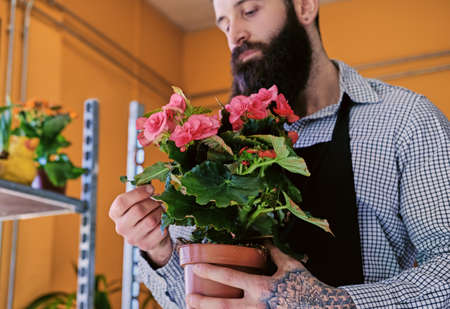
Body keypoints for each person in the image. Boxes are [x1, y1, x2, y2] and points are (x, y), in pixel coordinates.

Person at [109, 0, 450, 308]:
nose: (235, 35)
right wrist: (159, 249)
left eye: (249, 11)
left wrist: (329, 304)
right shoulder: (218, 144)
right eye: (224, 23)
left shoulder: (405, 120)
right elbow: (195, 301)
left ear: (304, 6)